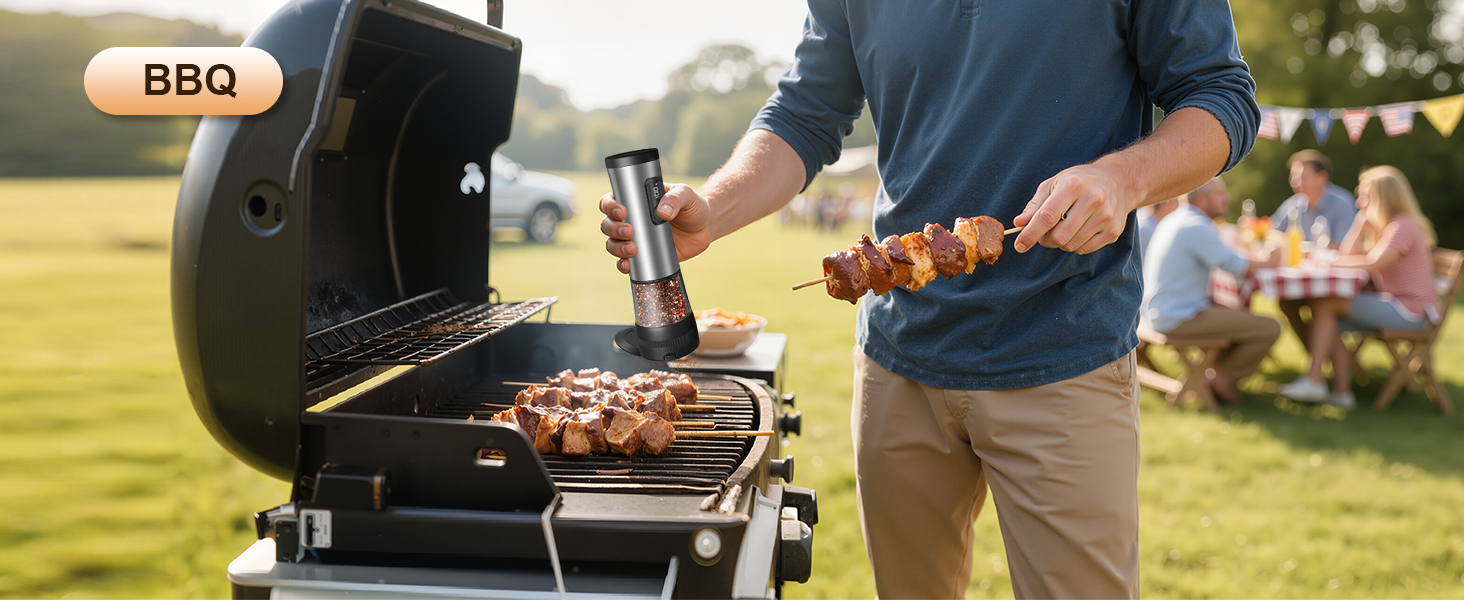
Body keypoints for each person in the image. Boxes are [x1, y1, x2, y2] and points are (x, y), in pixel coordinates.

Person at [599, 2, 1258, 597]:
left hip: (1064, 350)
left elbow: (1220, 93)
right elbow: (805, 112)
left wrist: (1123, 177)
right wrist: (713, 209)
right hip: (898, 361)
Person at [1278, 166, 1439, 410]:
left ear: (1383, 197)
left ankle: (1318, 381)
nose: (1359, 200)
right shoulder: (1385, 226)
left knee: (1325, 304)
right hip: (1395, 304)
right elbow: (1348, 254)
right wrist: (1360, 223)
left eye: (1365, 195)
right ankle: (1339, 391)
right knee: (1324, 309)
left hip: (1411, 312)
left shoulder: (1401, 226)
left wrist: (1328, 260)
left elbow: (1372, 265)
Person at [1141, 178, 1280, 403]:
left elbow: (1227, 258)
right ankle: (1220, 379)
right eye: (1220, 194)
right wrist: (1270, 260)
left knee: (1237, 318)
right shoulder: (1195, 225)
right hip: (1177, 315)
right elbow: (1234, 265)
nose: (1227, 198)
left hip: (1159, 310)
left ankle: (1213, 373)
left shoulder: (1177, 218)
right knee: (1269, 328)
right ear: (1203, 199)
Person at [1270, 149, 1356, 245]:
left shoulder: (1342, 204)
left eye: (1304, 178)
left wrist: (1302, 249)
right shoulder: (1293, 204)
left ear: (1322, 178)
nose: (1296, 183)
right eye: (1293, 178)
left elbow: (1344, 246)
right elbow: (1271, 232)